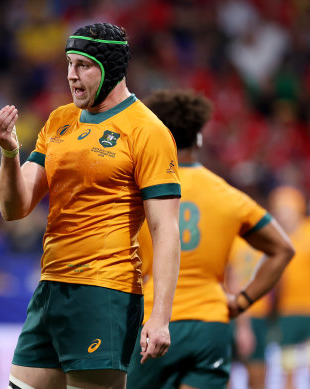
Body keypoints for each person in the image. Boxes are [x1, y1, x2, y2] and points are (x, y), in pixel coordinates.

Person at [0, 23, 182, 389]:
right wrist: (9, 152)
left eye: (82, 65)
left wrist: (160, 317)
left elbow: (165, 228)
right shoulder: (60, 120)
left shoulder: (147, 130)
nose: (71, 75)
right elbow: (14, 208)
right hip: (51, 288)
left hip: (104, 291)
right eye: (68, 63)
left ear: (110, 69)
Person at [126, 89, 294, 389]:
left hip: (152, 320)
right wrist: (242, 302)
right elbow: (283, 249)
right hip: (211, 324)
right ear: (199, 139)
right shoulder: (229, 195)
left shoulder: (137, 193)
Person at [268, 186, 310, 389]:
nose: (283, 214)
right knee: (287, 368)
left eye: (287, 208)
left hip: (307, 309)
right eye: (279, 209)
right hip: (287, 311)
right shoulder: (277, 238)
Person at [226, 237, 273, 389]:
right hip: (231, 313)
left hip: (257, 314)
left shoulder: (265, 237)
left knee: (258, 376)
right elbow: (233, 281)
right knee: (224, 375)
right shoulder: (229, 238)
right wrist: (243, 326)